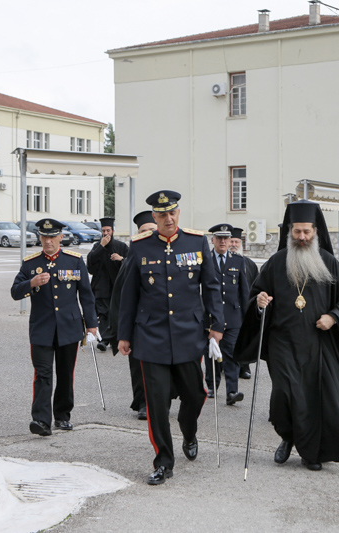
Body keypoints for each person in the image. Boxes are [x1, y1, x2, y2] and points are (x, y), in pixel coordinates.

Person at [234, 200, 339, 471]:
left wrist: (334, 316)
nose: (302, 238)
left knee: (320, 398)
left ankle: (312, 452)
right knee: (285, 395)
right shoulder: (275, 263)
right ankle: (288, 436)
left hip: (320, 345)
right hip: (283, 344)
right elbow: (254, 297)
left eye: (307, 232)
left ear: (316, 231)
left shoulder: (328, 262)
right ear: (289, 232)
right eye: (297, 232)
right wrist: (259, 302)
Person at [117, 190, 224, 485]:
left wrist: (218, 325)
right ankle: (164, 461)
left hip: (189, 335)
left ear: (178, 213)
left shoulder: (196, 242)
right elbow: (129, 296)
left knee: (196, 394)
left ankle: (188, 430)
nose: (168, 218)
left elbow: (212, 287)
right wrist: (124, 335)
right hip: (150, 337)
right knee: (156, 403)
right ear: (154, 217)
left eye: (172, 213)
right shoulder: (139, 247)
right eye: (162, 214)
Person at [10, 218, 98, 436]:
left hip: (69, 327)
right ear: (39, 237)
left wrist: (92, 326)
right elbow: (14, 292)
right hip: (42, 328)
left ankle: (62, 416)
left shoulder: (74, 261)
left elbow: (86, 296)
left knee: (66, 374)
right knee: (43, 374)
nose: (48, 241)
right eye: (44, 237)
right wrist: (31, 283)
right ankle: (41, 420)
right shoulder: (30, 264)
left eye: (52, 237)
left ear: (61, 237)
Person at [107, 211, 157, 420]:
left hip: (164, 323)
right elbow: (120, 298)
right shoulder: (131, 260)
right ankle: (143, 402)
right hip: (139, 324)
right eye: (143, 231)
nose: (147, 234)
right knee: (139, 367)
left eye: (151, 230)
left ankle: (161, 399)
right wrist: (121, 332)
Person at [204, 224, 249, 405]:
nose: (223, 242)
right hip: (211, 317)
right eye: (219, 238)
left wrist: (246, 317)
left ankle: (232, 391)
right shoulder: (205, 259)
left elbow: (243, 291)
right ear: (213, 240)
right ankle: (212, 386)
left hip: (232, 316)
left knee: (231, 353)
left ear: (231, 241)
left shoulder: (238, 261)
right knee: (212, 354)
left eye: (226, 239)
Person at [87, 217, 129, 352]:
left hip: (117, 287)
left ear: (113, 231)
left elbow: (131, 264)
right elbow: (90, 265)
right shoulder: (97, 247)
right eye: (103, 230)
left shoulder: (121, 247)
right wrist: (101, 247)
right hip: (101, 287)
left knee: (114, 313)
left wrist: (121, 259)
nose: (106, 233)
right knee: (103, 313)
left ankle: (115, 338)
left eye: (108, 230)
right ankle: (104, 340)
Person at [229, 227, 258, 380]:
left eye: (236, 242)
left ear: (241, 244)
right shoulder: (221, 261)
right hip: (228, 307)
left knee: (245, 337)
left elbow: (257, 285)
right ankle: (225, 366)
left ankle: (244, 367)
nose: (233, 244)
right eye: (231, 241)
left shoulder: (250, 264)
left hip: (245, 308)